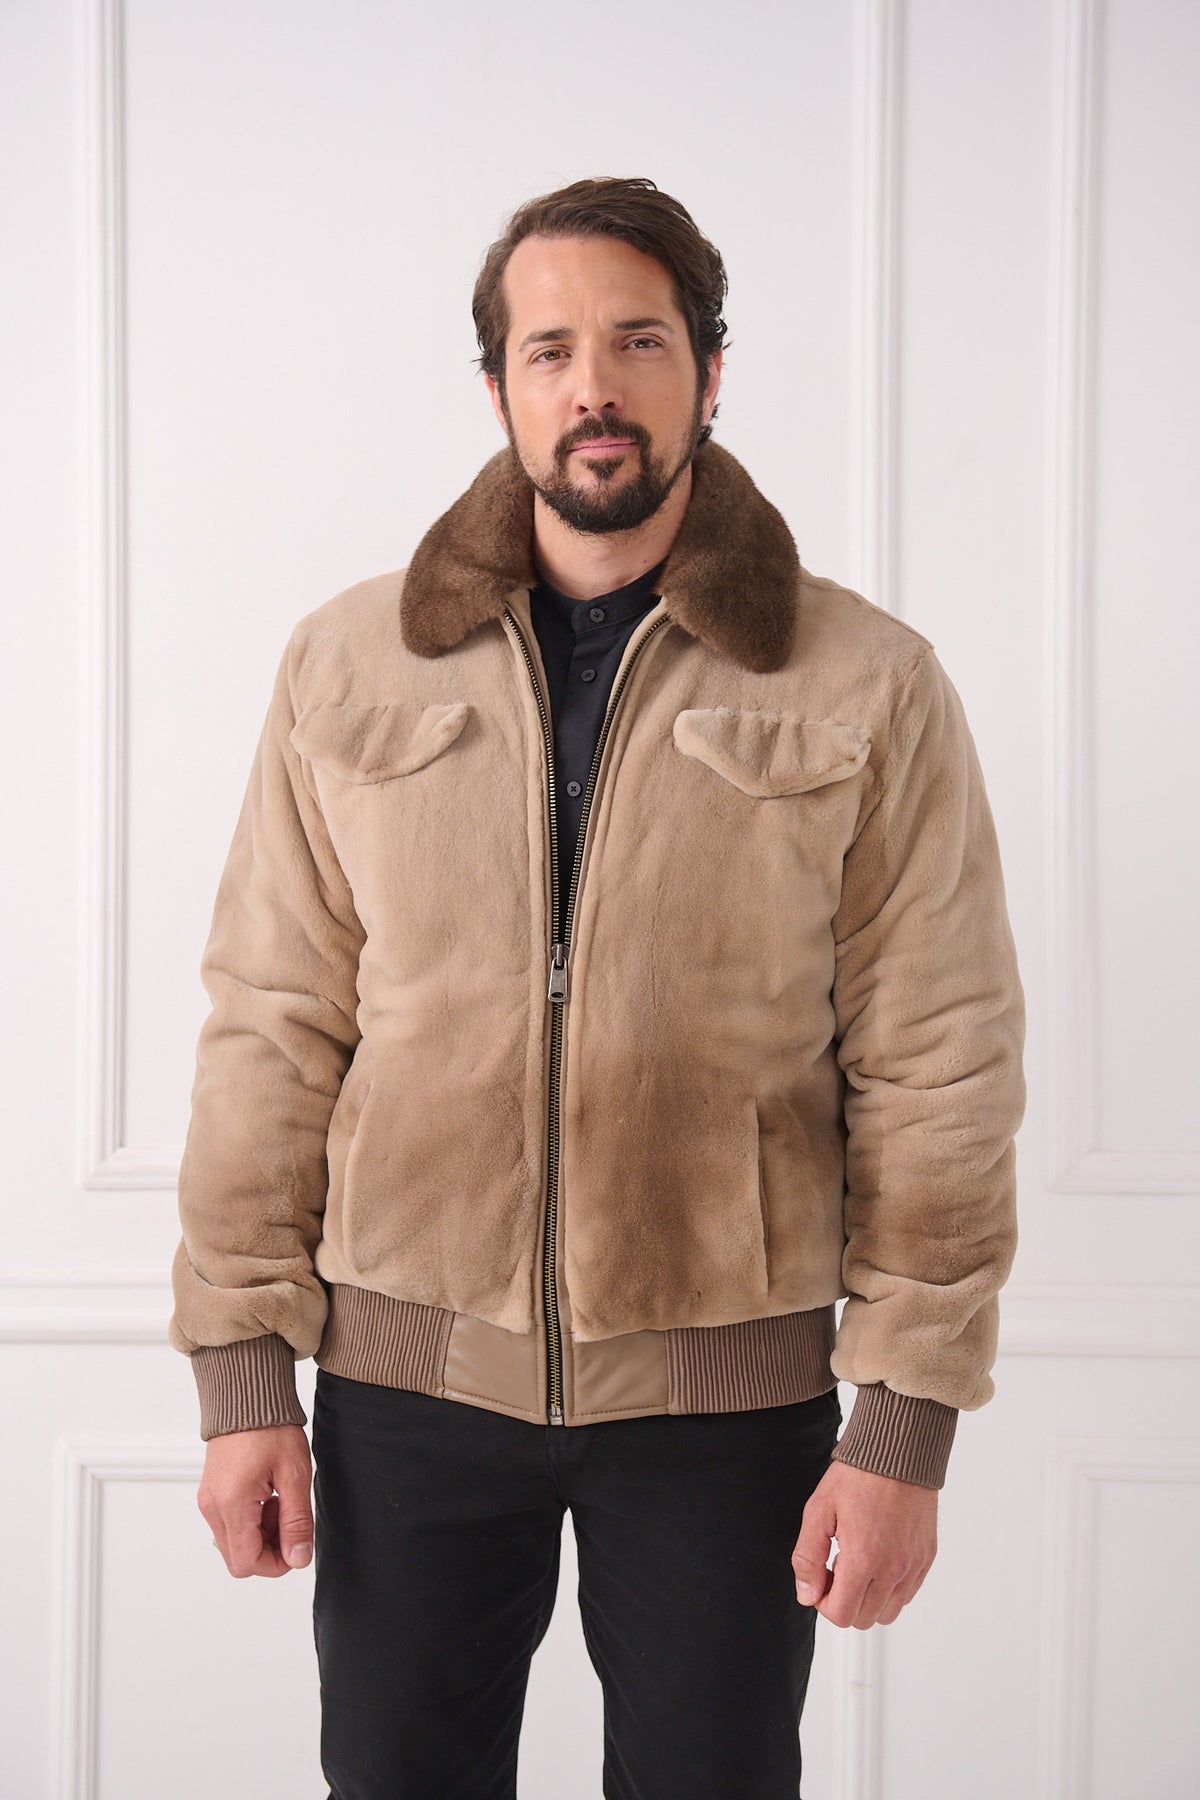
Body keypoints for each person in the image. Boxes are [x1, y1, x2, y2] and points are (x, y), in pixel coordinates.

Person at [169, 176, 1027, 1799]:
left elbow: (941, 1061)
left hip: (727, 1415)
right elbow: (272, 1022)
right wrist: (241, 1374)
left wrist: (905, 1423)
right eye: (549, 349)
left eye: (639, 341)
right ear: (496, 385)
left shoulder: (865, 681)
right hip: (405, 1399)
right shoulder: (349, 664)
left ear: (711, 371)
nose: (595, 387)